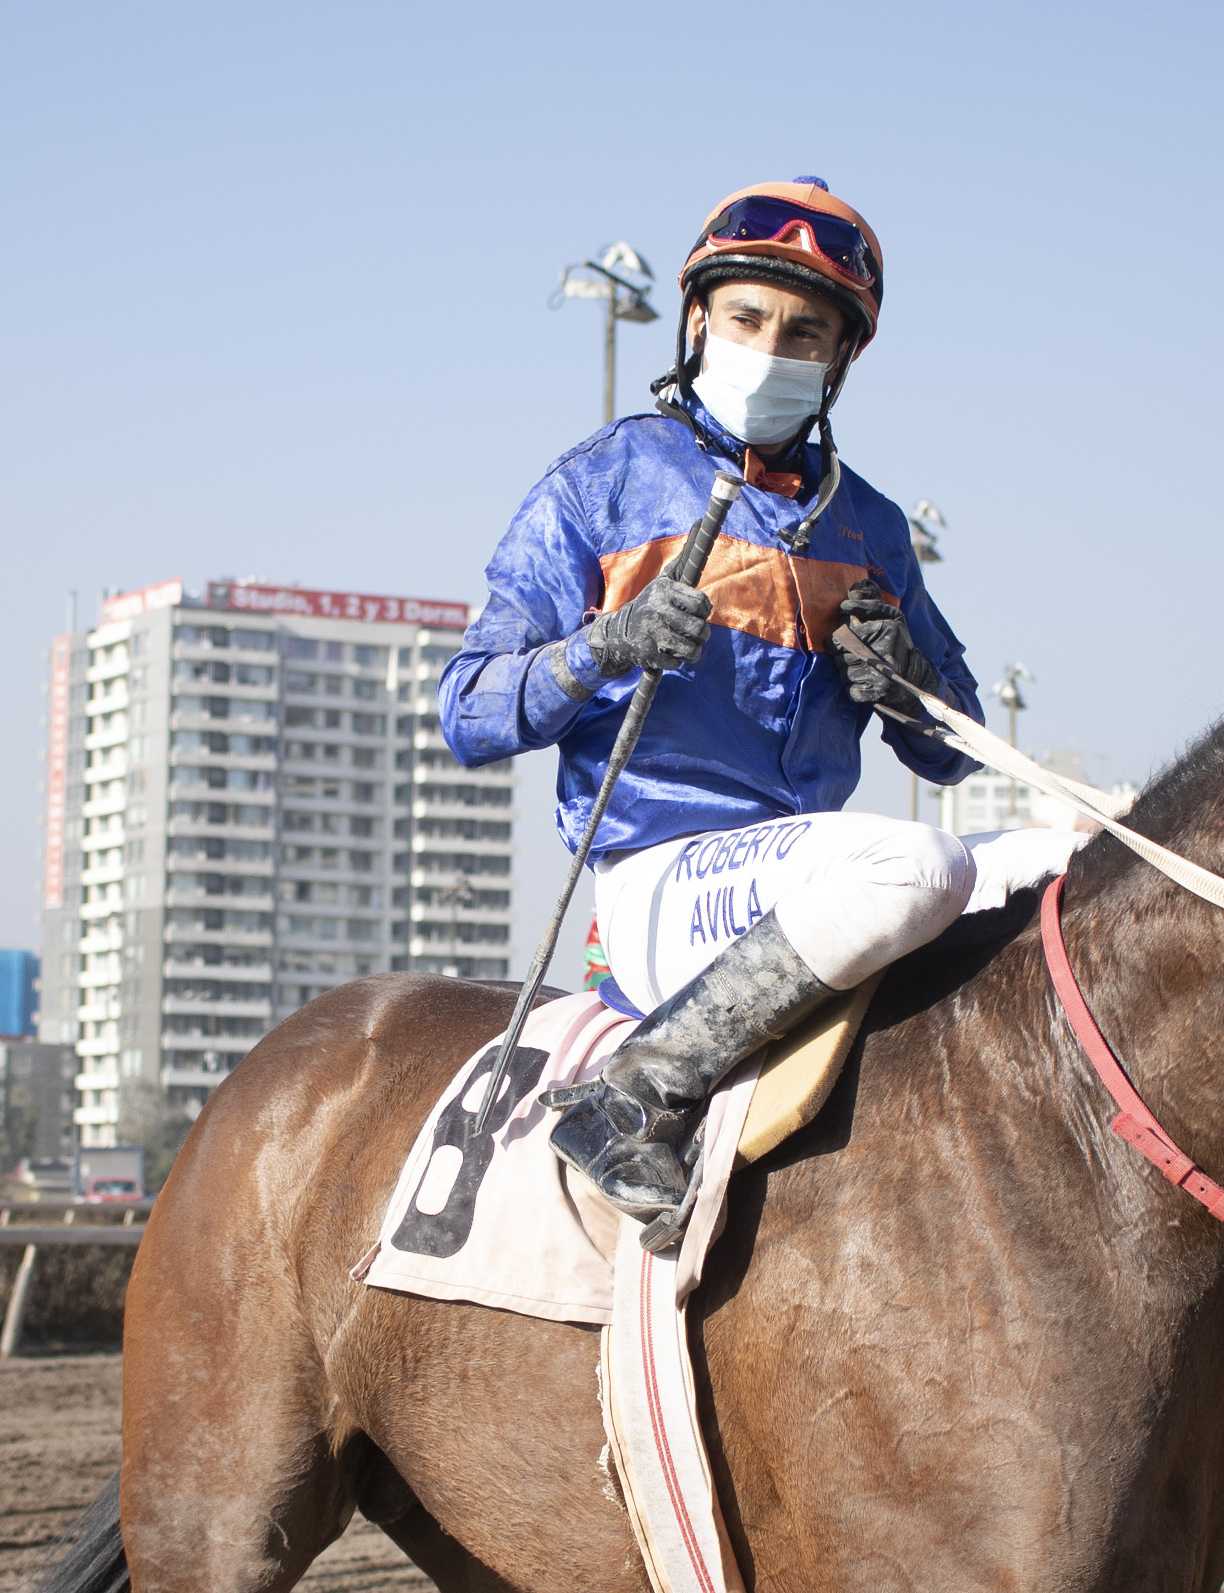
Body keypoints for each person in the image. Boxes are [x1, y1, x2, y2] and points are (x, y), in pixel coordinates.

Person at [441, 177, 1080, 1245]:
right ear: (697, 320)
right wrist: (606, 646)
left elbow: (955, 750)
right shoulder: (600, 482)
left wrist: (907, 681)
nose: (770, 349)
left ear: (840, 361)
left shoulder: (870, 525)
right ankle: (631, 1095)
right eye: (747, 319)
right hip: (658, 885)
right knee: (918, 863)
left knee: (1074, 853)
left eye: (803, 333)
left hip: (811, 875)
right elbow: (466, 711)